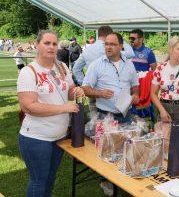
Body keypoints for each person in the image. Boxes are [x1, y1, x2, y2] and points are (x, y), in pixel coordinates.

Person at [17, 30, 85, 197]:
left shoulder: (61, 67)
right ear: (38, 44)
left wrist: (76, 91)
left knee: (50, 178)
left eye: (54, 44)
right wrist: (64, 108)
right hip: (36, 138)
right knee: (38, 180)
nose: (51, 47)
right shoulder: (28, 72)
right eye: (47, 43)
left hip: (59, 135)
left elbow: (68, 91)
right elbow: (29, 106)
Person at [82, 32, 139, 123]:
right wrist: (100, 93)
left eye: (112, 44)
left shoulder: (129, 64)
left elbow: (135, 85)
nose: (108, 47)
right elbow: (85, 89)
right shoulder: (96, 65)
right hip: (104, 117)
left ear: (121, 46)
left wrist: (135, 95)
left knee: (125, 137)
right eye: (106, 44)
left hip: (126, 115)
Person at [129, 29, 157, 123]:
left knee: (144, 112)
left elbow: (154, 70)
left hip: (143, 88)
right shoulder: (127, 51)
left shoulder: (148, 52)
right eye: (130, 38)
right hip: (129, 86)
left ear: (142, 39)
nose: (131, 40)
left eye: (133, 38)